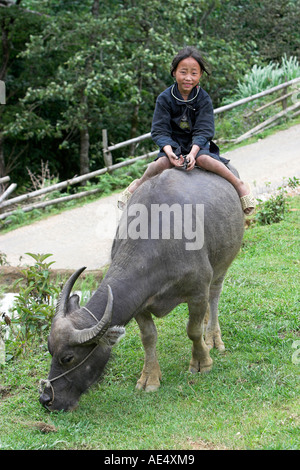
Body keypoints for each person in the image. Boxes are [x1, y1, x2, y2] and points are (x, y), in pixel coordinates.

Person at [118, 46, 255, 215]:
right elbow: (160, 130)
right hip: (173, 145)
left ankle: (238, 184)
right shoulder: (164, 98)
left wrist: (193, 153)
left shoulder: (203, 98)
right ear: (174, 72)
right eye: (183, 72)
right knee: (161, 164)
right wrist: (169, 152)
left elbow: (204, 130)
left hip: (197, 145)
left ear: (200, 75)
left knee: (205, 160)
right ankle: (138, 184)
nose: (188, 78)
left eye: (194, 73)